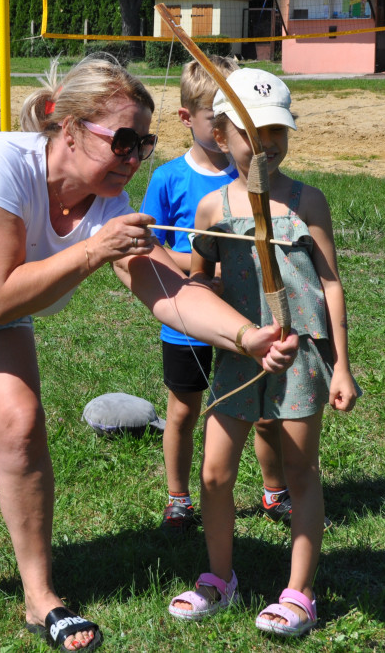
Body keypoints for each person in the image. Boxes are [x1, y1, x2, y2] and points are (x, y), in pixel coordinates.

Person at [0, 54, 299, 652]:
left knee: (20, 424)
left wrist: (247, 335)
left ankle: (40, 595)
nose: (135, 158)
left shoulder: (107, 203)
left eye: (145, 143)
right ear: (68, 127)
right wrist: (93, 252)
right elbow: (2, 295)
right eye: (124, 141)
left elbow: (167, 290)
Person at [167, 69, 359, 637]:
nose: (267, 144)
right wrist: (219, 306)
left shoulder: (307, 201)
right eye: (254, 133)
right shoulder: (211, 209)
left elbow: (329, 283)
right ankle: (219, 578)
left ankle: (300, 592)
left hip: (301, 358)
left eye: (278, 132)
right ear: (222, 135)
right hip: (238, 358)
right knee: (215, 474)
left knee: (301, 472)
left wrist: (342, 363)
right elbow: (198, 283)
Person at [142, 56, 303, 536]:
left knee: (264, 411)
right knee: (184, 408)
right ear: (193, 120)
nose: (244, 138)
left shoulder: (258, 177)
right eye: (217, 119)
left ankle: (274, 489)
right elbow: (152, 246)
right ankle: (178, 498)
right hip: (190, 319)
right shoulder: (169, 178)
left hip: (252, 317)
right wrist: (195, 275)